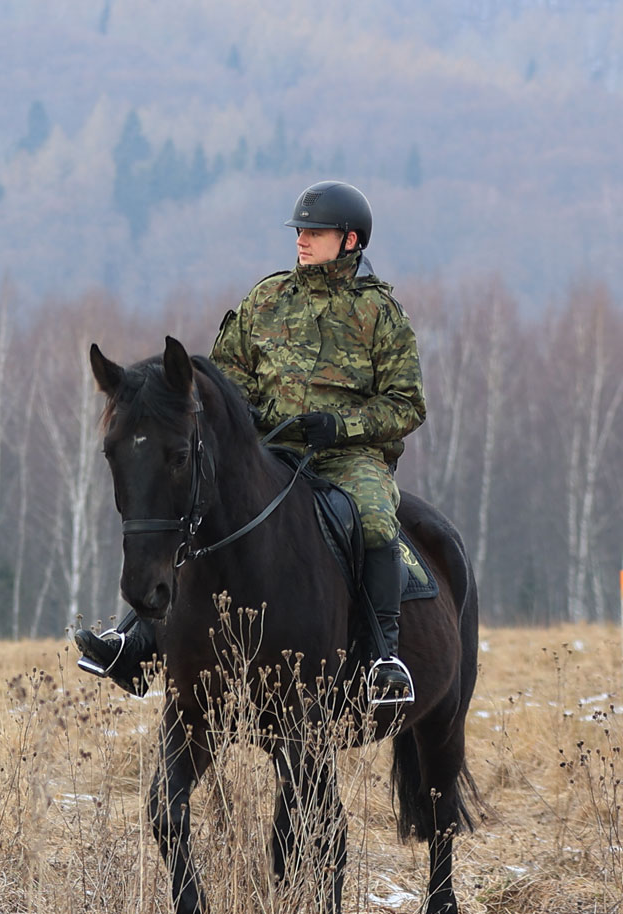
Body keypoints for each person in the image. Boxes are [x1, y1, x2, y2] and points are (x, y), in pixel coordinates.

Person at [76, 180, 427, 705]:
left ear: (350, 240)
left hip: (346, 458)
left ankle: (382, 657)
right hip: (266, 446)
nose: (302, 239)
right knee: (196, 502)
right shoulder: (266, 299)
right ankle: (139, 638)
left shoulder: (381, 313)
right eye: (300, 231)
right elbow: (225, 376)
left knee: (375, 518)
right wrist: (246, 411)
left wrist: (341, 426)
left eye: (315, 232)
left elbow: (407, 404)